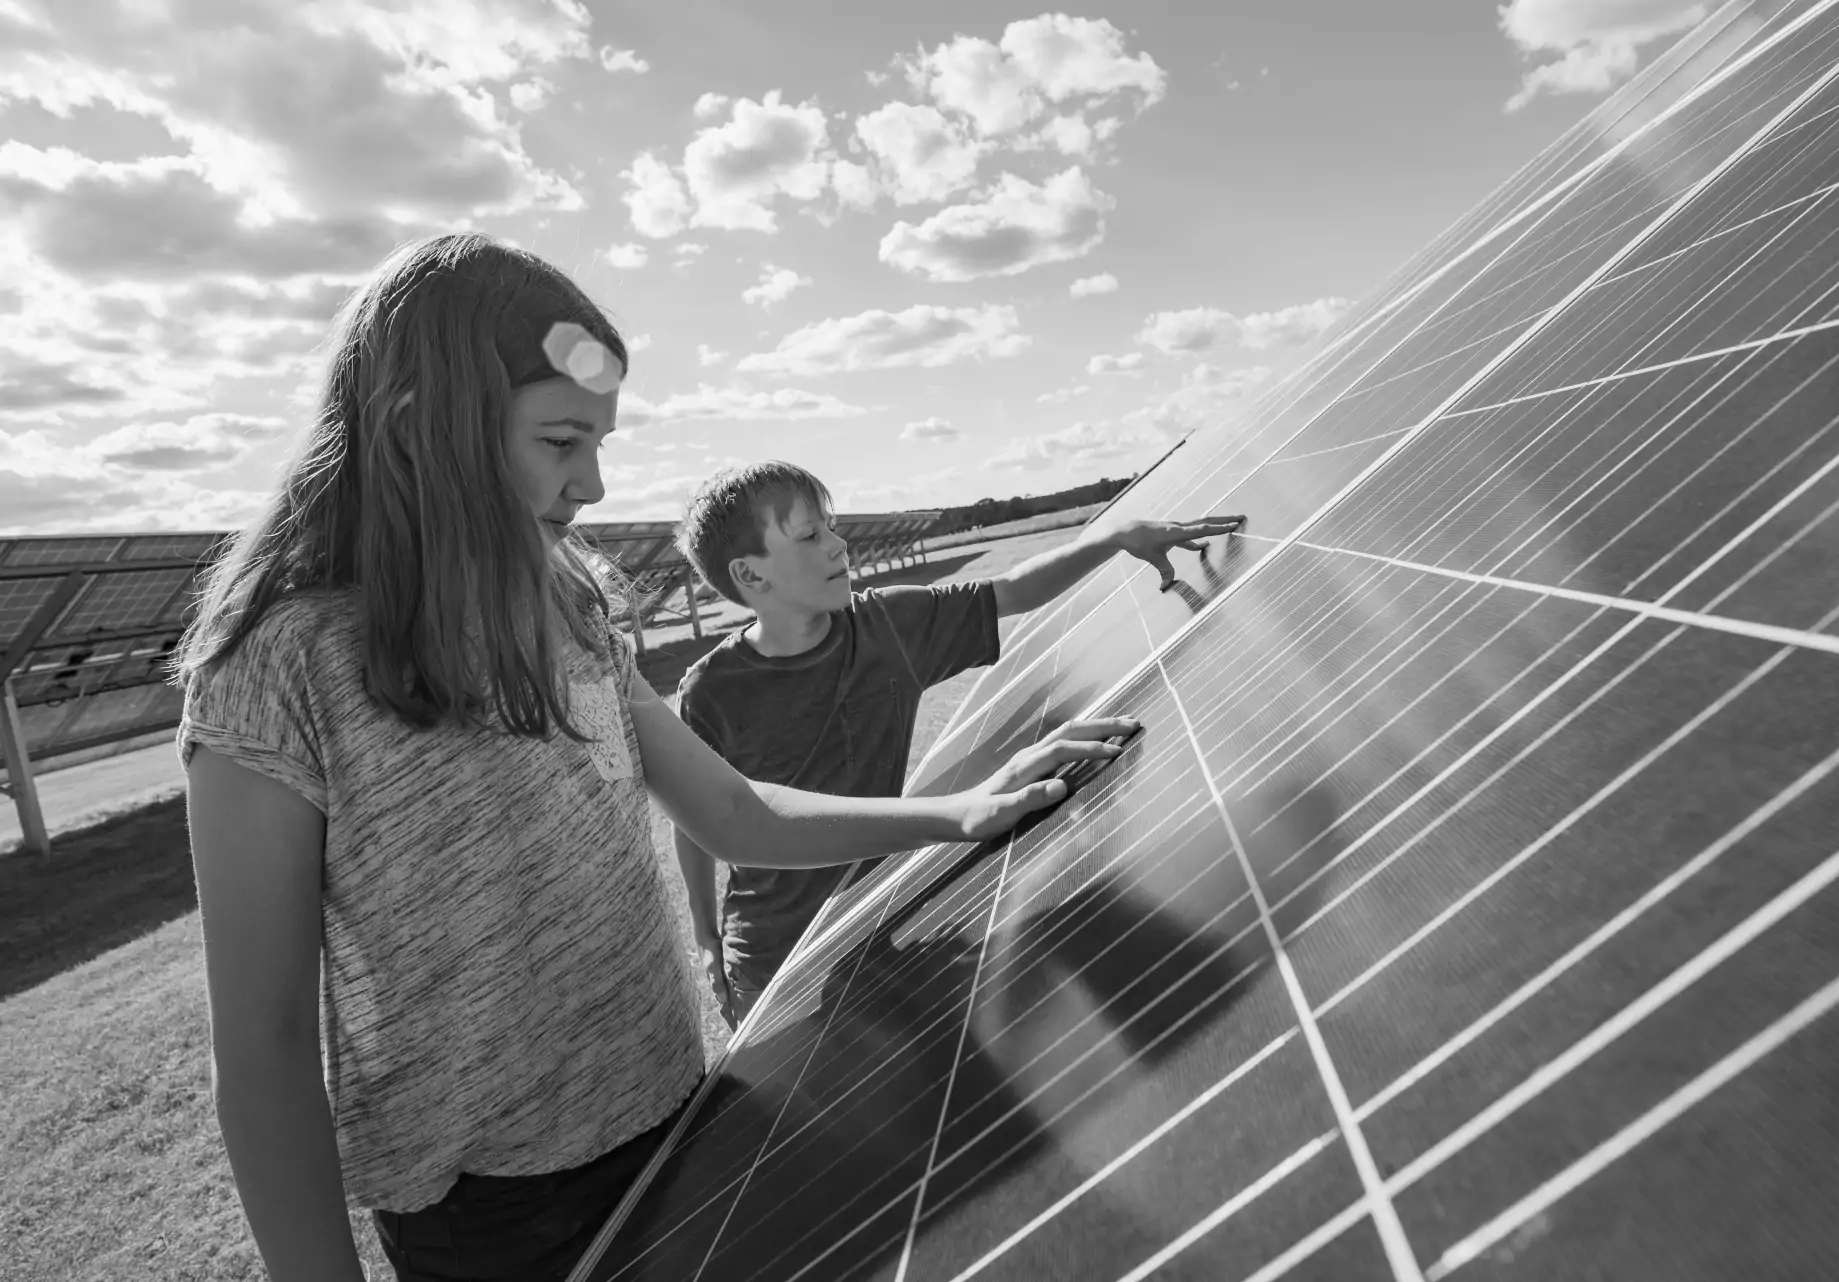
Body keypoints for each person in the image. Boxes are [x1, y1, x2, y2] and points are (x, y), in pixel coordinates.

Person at [173, 231, 1137, 1282]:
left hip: (677, 1121)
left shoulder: (568, 607)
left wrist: (959, 812)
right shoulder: (275, 668)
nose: (592, 482)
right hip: (491, 1218)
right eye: (561, 440)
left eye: (599, 441)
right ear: (418, 425)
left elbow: (732, 812)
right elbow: (264, 1048)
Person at [672, 461, 1241, 1027]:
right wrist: (704, 931)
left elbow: (1012, 590)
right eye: (809, 535)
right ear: (750, 575)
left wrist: (1114, 538)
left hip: (876, 927)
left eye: (832, 526)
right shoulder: (712, 691)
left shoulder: (889, 626)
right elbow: (694, 812)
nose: (838, 545)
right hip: (772, 968)